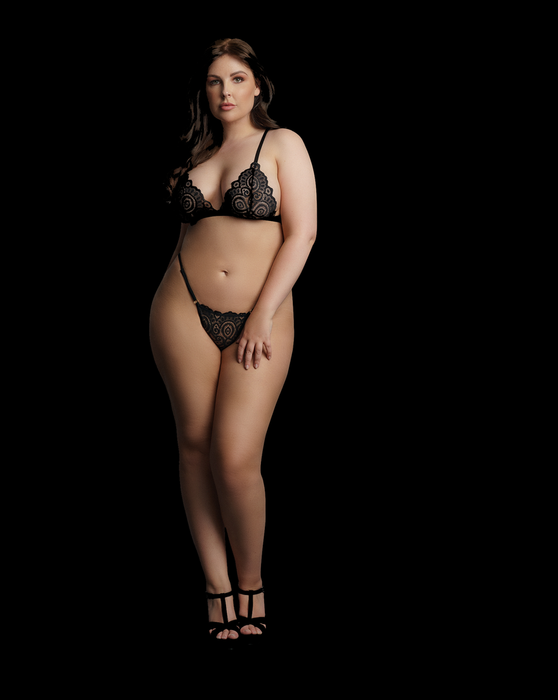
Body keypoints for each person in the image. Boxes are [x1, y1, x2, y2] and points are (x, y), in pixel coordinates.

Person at [149, 38, 317, 644]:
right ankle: (217, 587)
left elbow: (302, 234)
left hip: (259, 315)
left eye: (237, 78)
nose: (225, 91)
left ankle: (252, 584)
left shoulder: (283, 143)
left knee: (236, 458)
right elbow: (189, 236)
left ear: (258, 86)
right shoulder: (194, 159)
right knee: (194, 447)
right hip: (180, 308)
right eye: (215, 81)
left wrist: (262, 314)